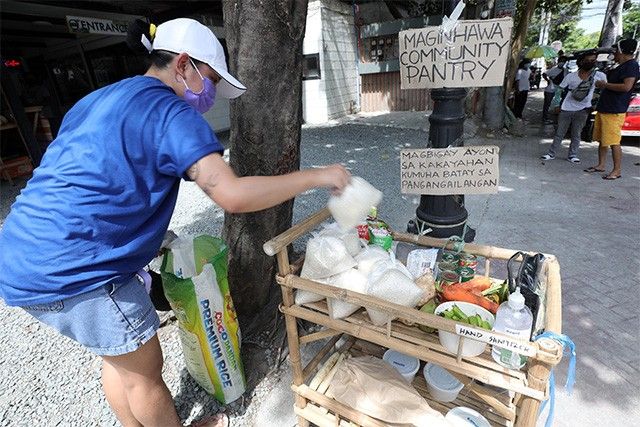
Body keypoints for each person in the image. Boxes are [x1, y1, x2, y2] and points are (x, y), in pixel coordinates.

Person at [0, 18, 350, 427]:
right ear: (183, 64)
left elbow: (96, 175)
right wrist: (319, 176)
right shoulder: (170, 111)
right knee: (146, 374)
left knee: (121, 361)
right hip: (78, 268)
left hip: (20, 251)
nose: (211, 93)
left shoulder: (99, 99)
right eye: (212, 79)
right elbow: (232, 195)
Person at [585, 39, 640, 180]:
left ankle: (617, 170)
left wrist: (605, 85)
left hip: (615, 109)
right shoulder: (621, 66)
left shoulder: (631, 66)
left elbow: (626, 87)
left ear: (621, 51)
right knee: (603, 139)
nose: (614, 54)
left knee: (613, 141)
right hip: (605, 107)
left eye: (616, 51)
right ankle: (601, 164)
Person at [541, 51, 606, 163]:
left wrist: (596, 105)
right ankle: (551, 153)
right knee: (559, 133)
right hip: (566, 108)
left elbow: (603, 92)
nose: (590, 63)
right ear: (581, 62)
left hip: (583, 109)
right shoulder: (571, 76)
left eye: (593, 60)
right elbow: (559, 90)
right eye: (587, 60)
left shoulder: (599, 76)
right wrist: (556, 104)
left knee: (576, 133)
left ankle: (573, 155)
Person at [541, 56, 567, 124]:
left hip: (559, 89)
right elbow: (544, 74)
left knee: (557, 104)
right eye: (561, 61)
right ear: (558, 61)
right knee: (547, 104)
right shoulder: (553, 69)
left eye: (564, 61)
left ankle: (556, 118)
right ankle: (544, 118)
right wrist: (548, 81)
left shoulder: (565, 70)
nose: (562, 62)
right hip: (550, 89)